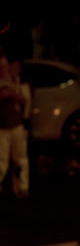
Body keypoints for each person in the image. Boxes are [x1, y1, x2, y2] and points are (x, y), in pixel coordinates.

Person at [0, 55, 30, 197]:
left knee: (20, 158)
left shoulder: (17, 81)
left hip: (16, 125)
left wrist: (13, 95)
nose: (3, 68)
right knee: (2, 160)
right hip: (2, 127)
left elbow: (25, 99)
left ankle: (22, 187)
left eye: (5, 65)